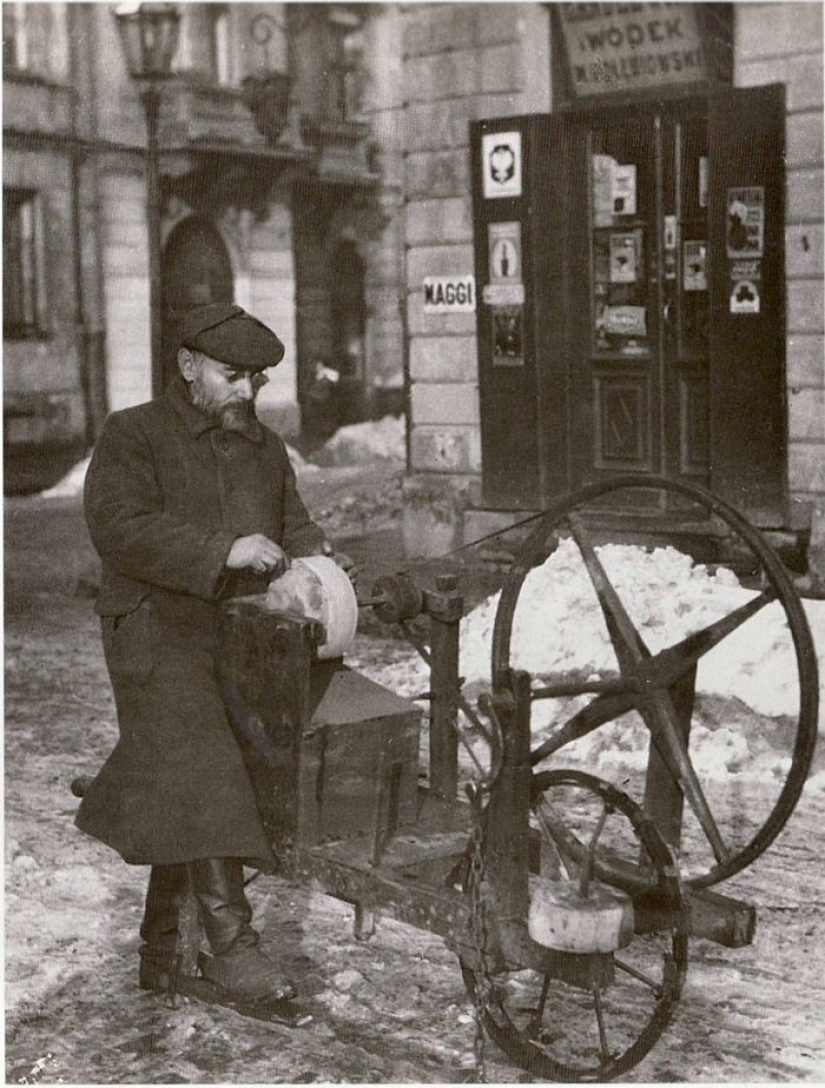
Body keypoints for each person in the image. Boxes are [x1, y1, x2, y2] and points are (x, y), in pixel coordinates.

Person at [77, 302, 345, 1005]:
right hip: (153, 624)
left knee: (223, 765)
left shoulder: (265, 447)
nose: (247, 394)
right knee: (203, 756)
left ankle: (164, 952)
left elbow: (293, 523)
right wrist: (222, 550)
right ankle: (231, 949)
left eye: (256, 380)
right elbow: (119, 529)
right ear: (188, 365)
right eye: (233, 377)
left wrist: (317, 560)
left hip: (242, 630)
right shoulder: (132, 433)